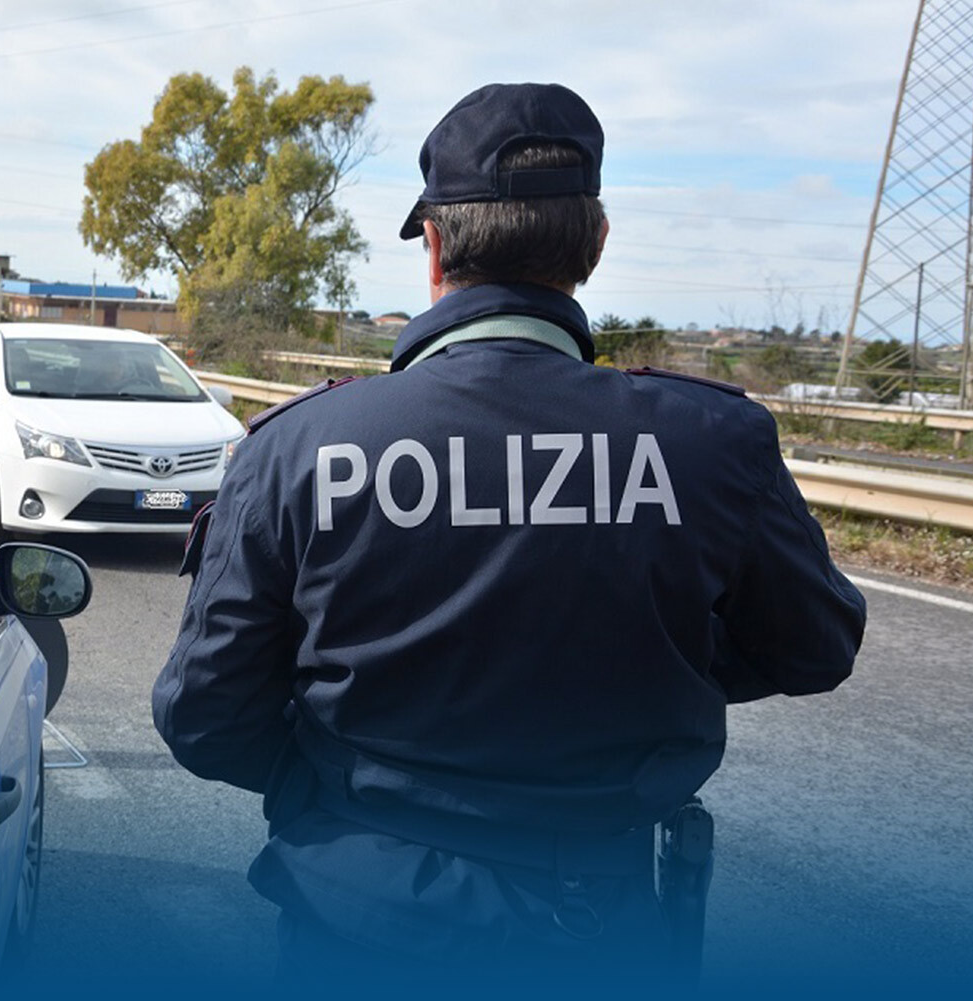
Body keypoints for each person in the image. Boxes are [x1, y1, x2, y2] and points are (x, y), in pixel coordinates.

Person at [152, 82, 867, 987]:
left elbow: (204, 715)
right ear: (595, 243)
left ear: (434, 245)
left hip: (354, 919)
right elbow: (813, 647)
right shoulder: (709, 441)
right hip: (599, 924)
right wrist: (638, 663)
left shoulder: (298, 448)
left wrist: (342, 784)